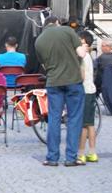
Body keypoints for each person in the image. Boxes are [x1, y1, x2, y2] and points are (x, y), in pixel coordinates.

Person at [34, 15, 86, 167]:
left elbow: (44, 65)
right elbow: (81, 53)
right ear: (57, 23)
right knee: (74, 118)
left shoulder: (39, 41)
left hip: (53, 82)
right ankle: (71, 158)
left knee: (54, 119)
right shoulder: (67, 31)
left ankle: (52, 157)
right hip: (73, 80)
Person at [77, 31, 98, 165]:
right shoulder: (89, 55)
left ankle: (81, 153)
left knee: (83, 125)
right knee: (90, 124)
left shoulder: (83, 56)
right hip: (91, 90)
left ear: (83, 41)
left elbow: (82, 76)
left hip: (84, 90)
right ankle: (92, 152)